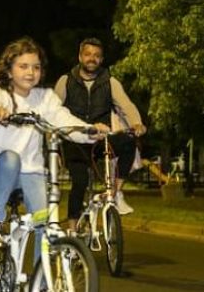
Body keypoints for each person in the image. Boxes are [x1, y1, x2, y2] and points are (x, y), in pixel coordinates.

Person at [0, 37, 108, 242]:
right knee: (11, 157)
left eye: (36, 67)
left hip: (31, 172)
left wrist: (90, 130)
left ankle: (42, 274)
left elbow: (63, 119)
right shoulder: (2, 95)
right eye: (23, 66)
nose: (30, 72)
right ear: (10, 71)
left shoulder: (45, 98)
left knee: (43, 224)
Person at [54, 38, 146, 225]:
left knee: (128, 142)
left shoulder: (110, 82)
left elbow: (125, 105)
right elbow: (52, 111)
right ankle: (72, 229)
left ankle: (115, 193)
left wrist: (137, 123)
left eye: (96, 56)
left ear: (102, 59)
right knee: (79, 183)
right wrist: (53, 145)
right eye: (87, 54)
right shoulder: (66, 81)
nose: (92, 59)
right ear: (80, 56)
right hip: (74, 142)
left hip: (100, 140)